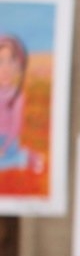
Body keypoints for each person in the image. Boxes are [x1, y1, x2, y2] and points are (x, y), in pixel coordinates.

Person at [0, 33, 31, 171]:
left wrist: (4, 148)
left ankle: (20, 158)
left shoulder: (17, 96)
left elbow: (16, 127)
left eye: (11, 61)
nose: (5, 68)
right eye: (1, 61)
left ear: (18, 66)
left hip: (9, 141)